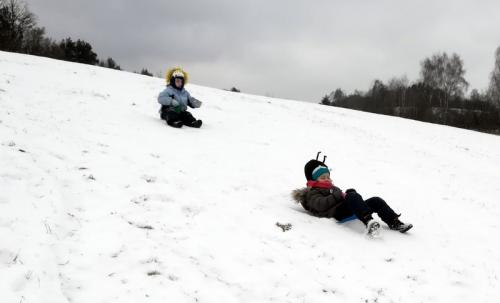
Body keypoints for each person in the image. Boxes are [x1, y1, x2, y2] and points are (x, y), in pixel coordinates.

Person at [292, 154, 413, 236]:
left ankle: (395, 223)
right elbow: (320, 205)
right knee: (351, 196)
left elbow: (339, 196)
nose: (327, 179)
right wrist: (338, 195)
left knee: (376, 200)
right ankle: (369, 222)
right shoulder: (312, 192)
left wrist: (347, 194)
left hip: (346, 208)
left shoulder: (332, 188)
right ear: (314, 180)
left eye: (328, 176)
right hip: (336, 213)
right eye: (323, 177)